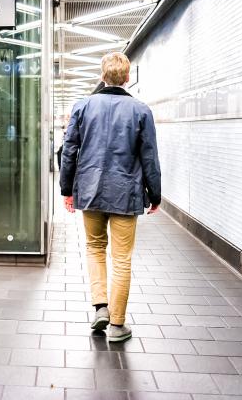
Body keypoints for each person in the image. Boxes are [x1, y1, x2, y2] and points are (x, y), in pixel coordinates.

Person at [59, 52, 161, 343]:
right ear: (127, 77)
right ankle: (117, 324)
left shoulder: (83, 106)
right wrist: (155, 194)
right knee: (122, 258)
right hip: (126, 193)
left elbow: (69, 152)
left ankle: (100, 306)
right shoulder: (141, 111)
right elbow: (149, 156)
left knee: (94, 248)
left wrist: (67, 190)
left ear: (102, 76)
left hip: (90, 190)